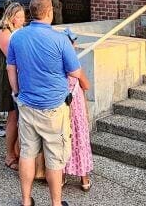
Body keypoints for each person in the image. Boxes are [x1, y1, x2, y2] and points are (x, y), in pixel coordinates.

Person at [7, 0, 90, 206]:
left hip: (26, 104)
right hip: (54, 106)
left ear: (31, 13)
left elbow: (11, 68)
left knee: (27, 154)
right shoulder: (60, 39)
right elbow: (75, 72)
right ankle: (56, 202)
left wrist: (16, 92)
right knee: (55, 158)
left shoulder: (17, 36)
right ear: (50, 12)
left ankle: (26, 200)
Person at [0, 2, 26, 170]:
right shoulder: (4, 32)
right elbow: (11, 55)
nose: (21, 20)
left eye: (23, 17)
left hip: (18, 74)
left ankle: (17, 151)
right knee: (12, 116)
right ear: (11, 17)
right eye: (18, 17)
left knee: (18, 117)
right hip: (6, 75)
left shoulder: (20, 31)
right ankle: (9, 155)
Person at [61, 28, 93, 192]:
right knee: (79, 139)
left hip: (60, 107)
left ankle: (61, 176)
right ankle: (84, 179)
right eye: (73, 42)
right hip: (76, 107)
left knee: (62, 139)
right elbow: (86, 85)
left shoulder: (55, 63)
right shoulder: (73, 63)